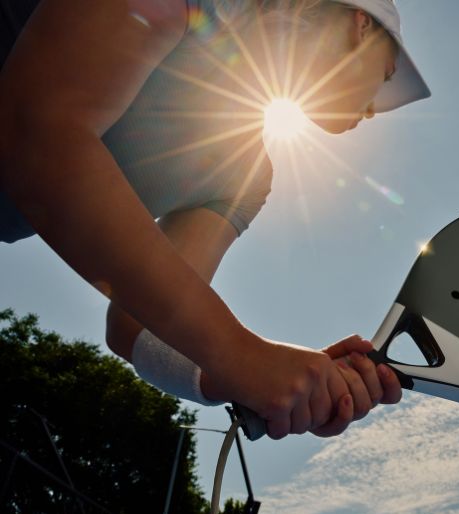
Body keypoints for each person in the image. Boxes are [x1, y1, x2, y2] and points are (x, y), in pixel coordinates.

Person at [0, 0, 431, 439]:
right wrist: (241, 355)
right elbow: (36, 130)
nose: (376, 109)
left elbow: (135, 328)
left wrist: (264, 378)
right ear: (360, 26)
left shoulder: (248, 176)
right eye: (388, 74)